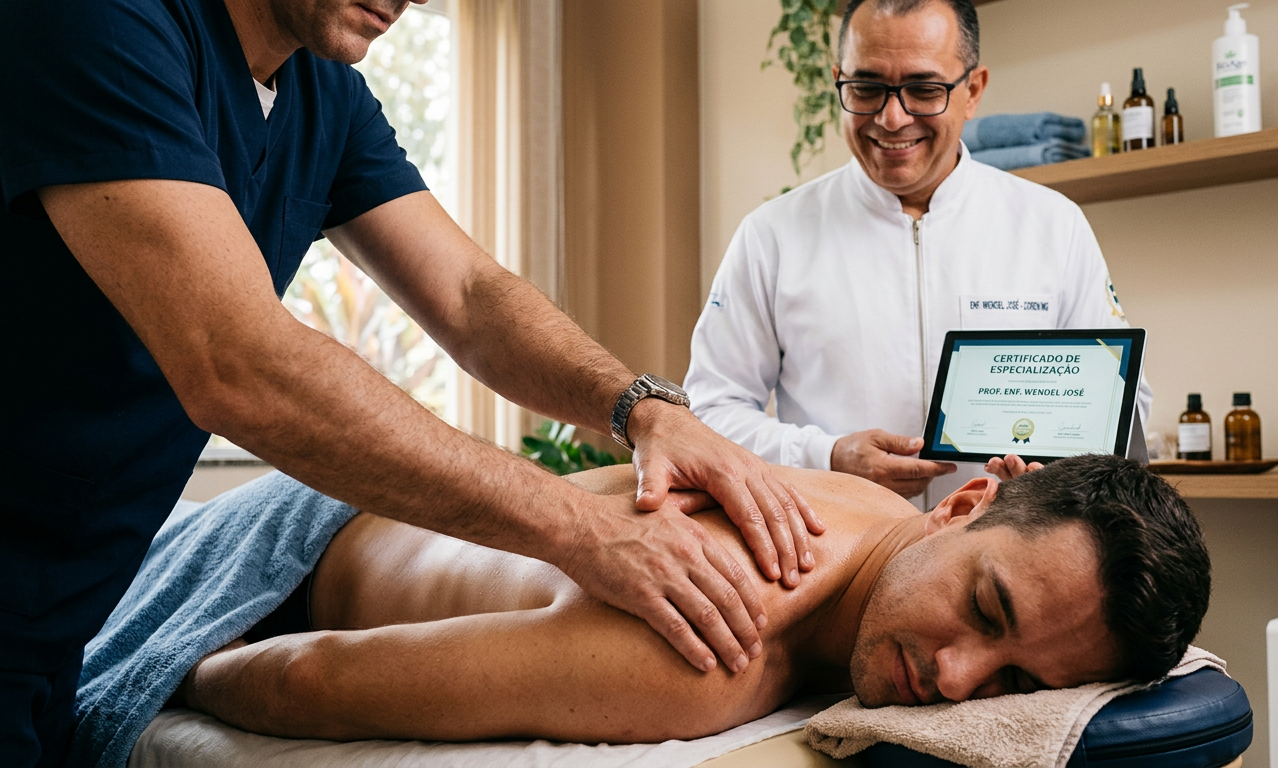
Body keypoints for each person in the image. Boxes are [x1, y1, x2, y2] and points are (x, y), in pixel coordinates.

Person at [0, 0, 819, 763]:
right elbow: (238, 363)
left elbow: (470, 299)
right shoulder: (93, 22)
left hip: (62, 610)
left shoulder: (325, 98)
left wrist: (641, 408)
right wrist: (581, 528)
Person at [169, 454, 1210, 744]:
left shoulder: (855, 503)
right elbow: (310, 679)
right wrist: (172, 676)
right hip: (284, 552)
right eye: (986, 613)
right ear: (967, 502)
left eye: (1017, 682)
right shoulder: (710, 648)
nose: (953, 680)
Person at [685, 0, 1153, 511]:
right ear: (839, 80)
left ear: (972, 91)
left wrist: (1054, 466)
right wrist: (827, 456)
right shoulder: (771, 236)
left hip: (1000, 555)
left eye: (924, 90)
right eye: (866, 88)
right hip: (836, 557)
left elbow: (1124, 410)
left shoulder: (1051, 225)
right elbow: (710, 411)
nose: (891, 117)